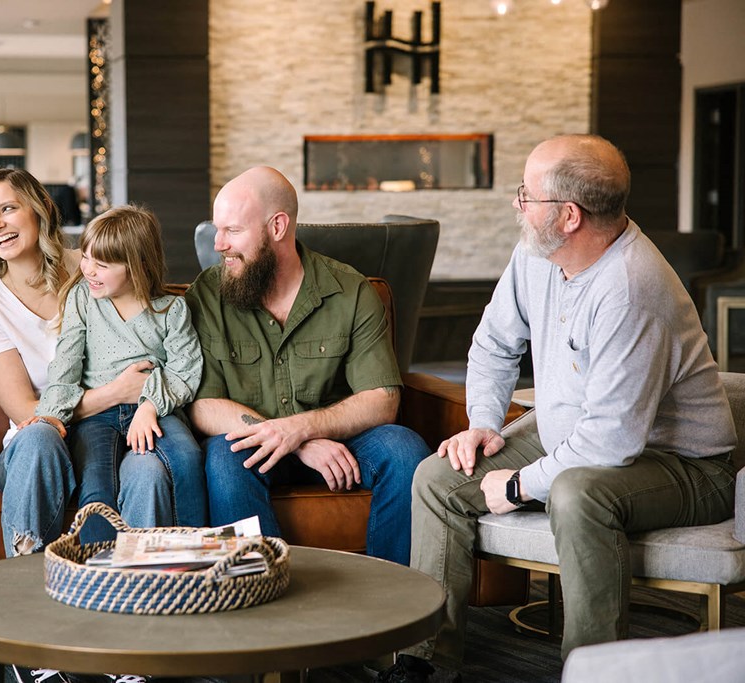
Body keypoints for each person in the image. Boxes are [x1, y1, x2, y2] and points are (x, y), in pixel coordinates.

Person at [391, 135, 738, 682]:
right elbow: (493, 345)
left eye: (525, 194)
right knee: (437, 478)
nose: (516, 205)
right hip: (573, 436)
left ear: (569, 215)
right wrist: (483, 422)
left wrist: (517, 485)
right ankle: (424, 663)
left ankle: (591, 671)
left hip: (683, 465)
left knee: (578, 492)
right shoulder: (536, 252)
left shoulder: (631, 288)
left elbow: (610, 444)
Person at [0, 172, 169, 683]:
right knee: (36, 436)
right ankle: (29, 639)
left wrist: (139, 397)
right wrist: (117, 392)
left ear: (38, 210)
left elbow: (158, 329)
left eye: (7, 209)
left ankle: (135, 644)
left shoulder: (94, 270)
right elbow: (27, 410)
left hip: (116, 436)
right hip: (39, 449)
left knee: (149, 473)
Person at [184, 166, 430, 565]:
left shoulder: (350, 291)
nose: (219, 244)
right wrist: (296, 443)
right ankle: (261, 597)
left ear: (278, 226)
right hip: (253, 448)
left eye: (232, 230)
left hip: (341, 445)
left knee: (405, 452)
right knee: (224, 460)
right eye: (217, 229)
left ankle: (391, 601)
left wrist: (300, 429)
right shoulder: (207, 297)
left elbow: (382, 400)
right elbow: (203, 404)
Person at [30, 205, 207, 541]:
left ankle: (191, 551)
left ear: (138, 265)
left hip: (155, 410)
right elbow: (66, 361)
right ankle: (97, 572)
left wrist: (150, 406)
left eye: (102, 264)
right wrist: (50, 415)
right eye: (86, 258)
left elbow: (185, 369)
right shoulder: (83, 298)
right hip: (97, 417)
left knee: (186, 456)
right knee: (97, 484)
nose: (88, 270)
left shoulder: (171, 309)